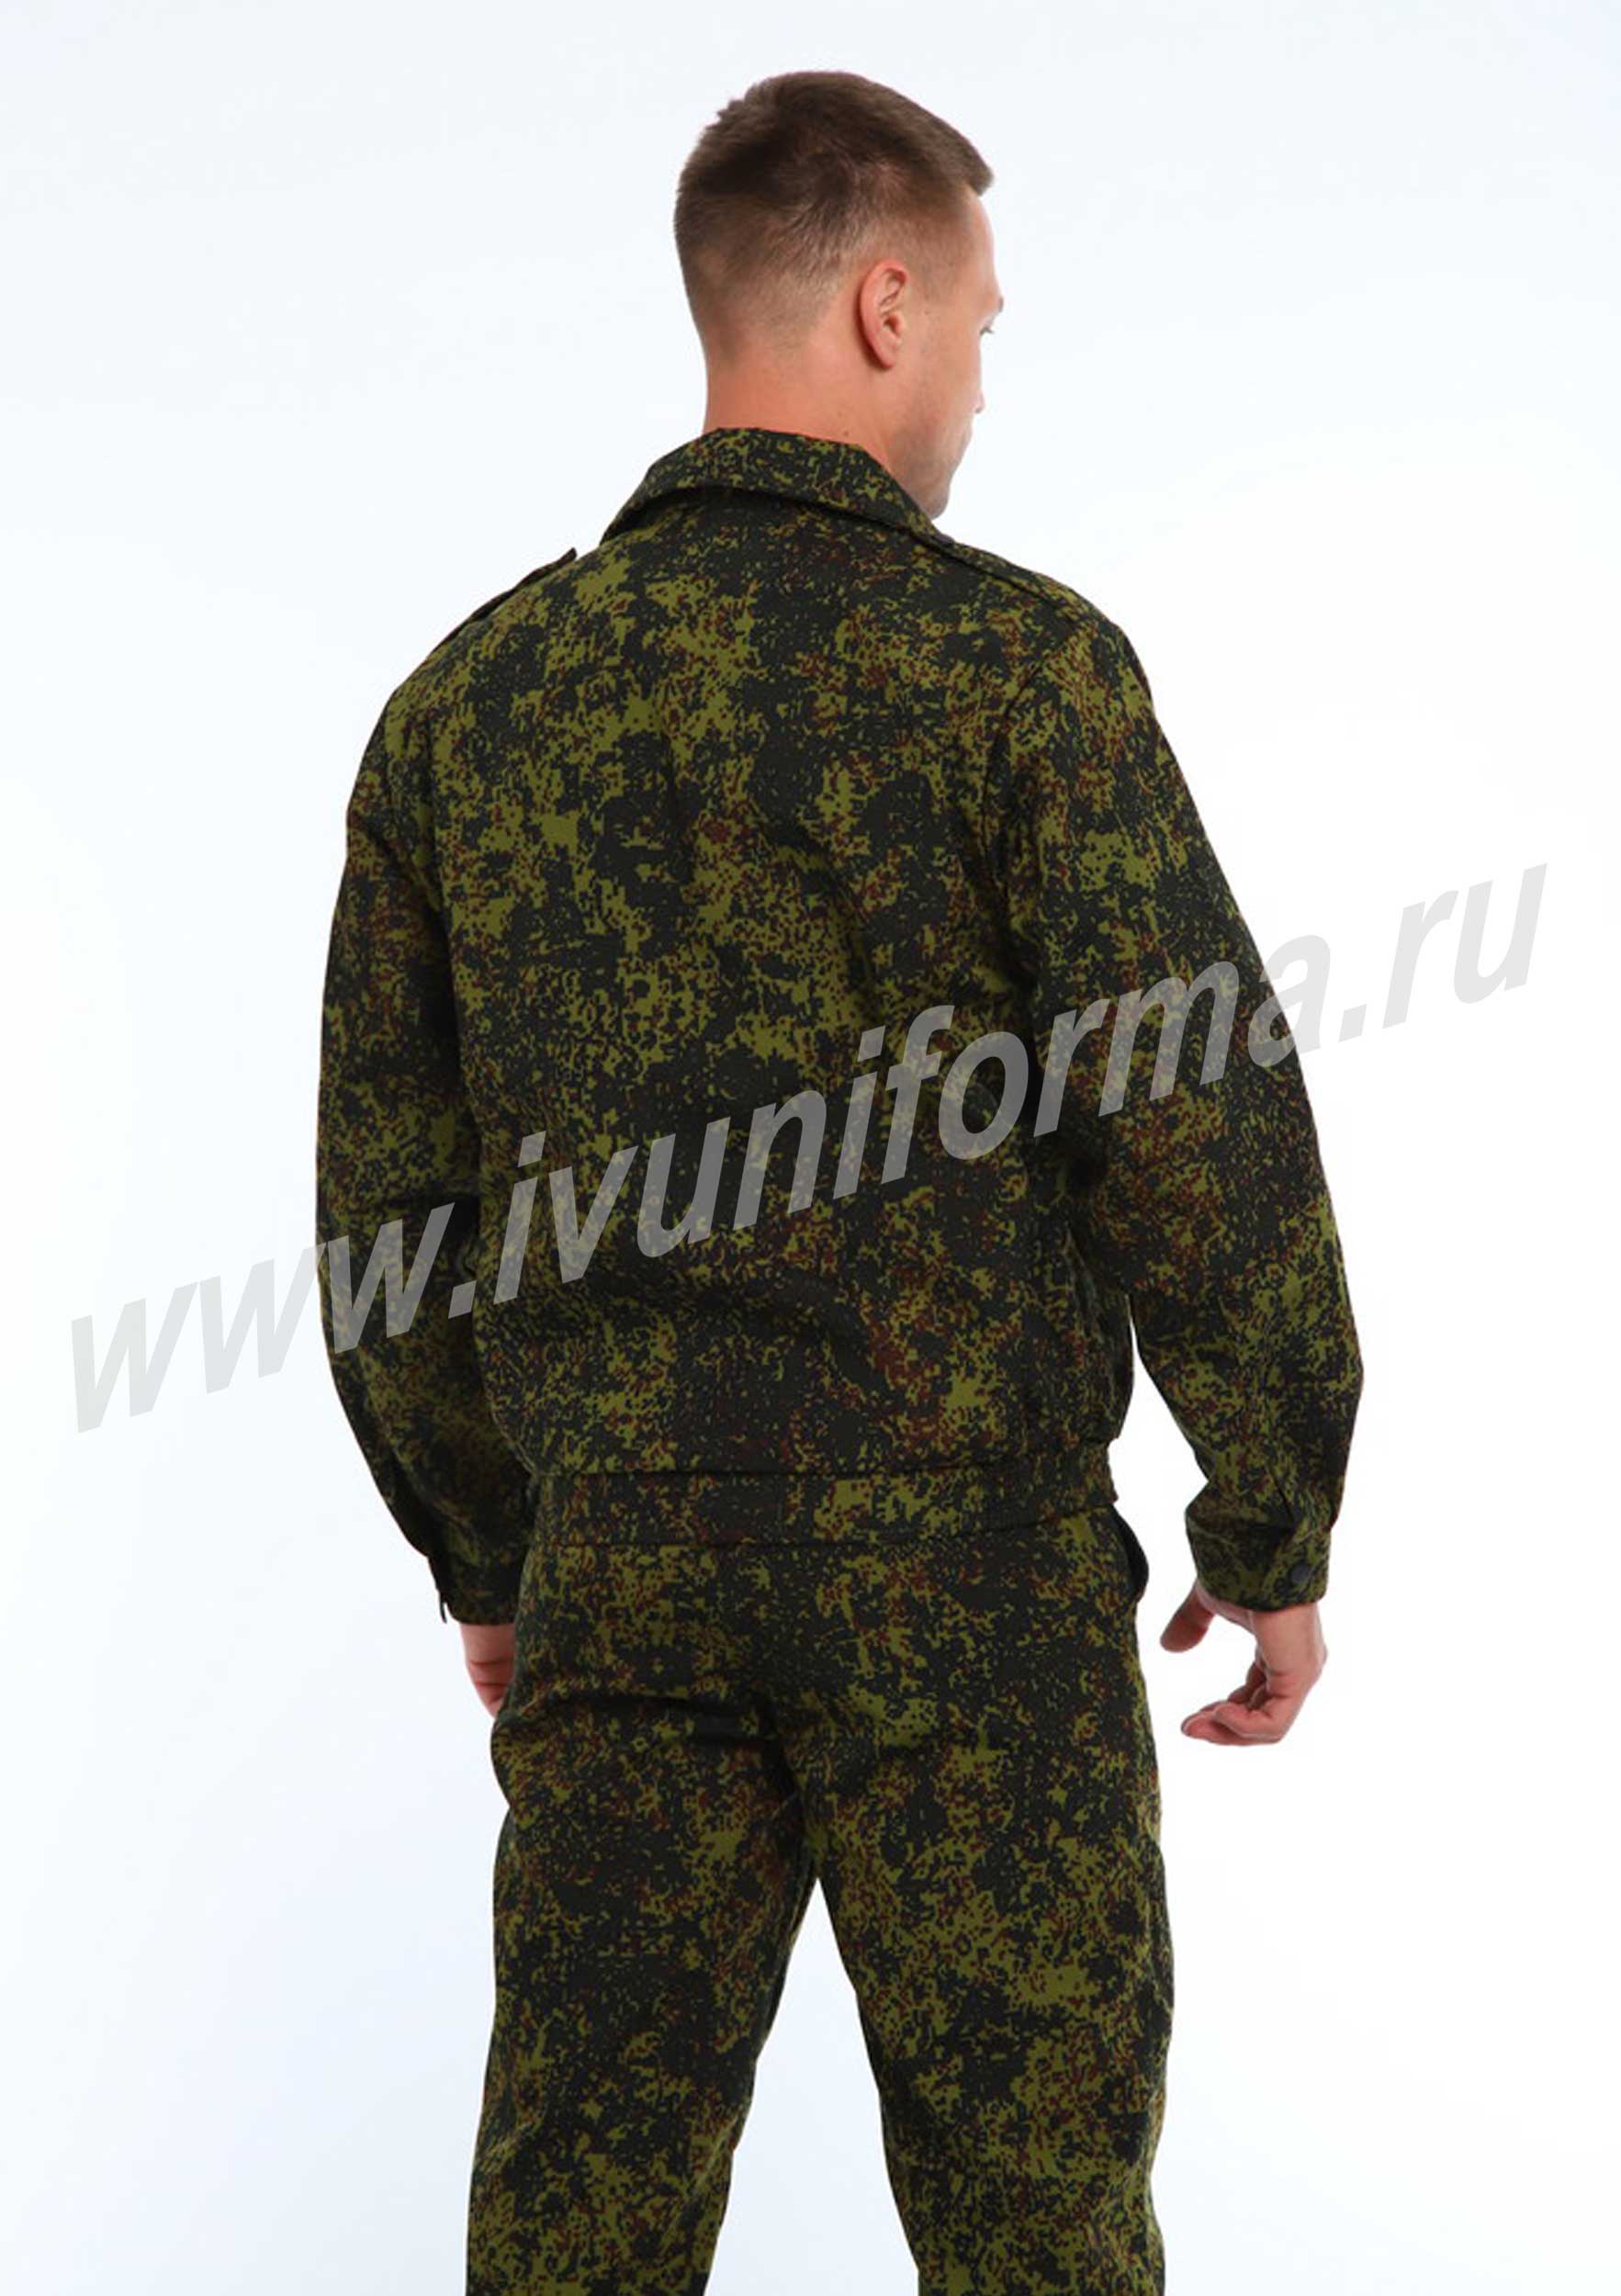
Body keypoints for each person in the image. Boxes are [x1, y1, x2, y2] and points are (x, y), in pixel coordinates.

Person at [315, 66, 1363, 2296]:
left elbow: (386, 1209)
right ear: (886, 303)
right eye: (976, 322)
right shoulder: (1018, 671)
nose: (978, 376)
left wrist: (492, 1545)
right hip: (971, 1585)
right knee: (1037, 2229)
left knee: (576, 2237)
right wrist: (1270, 1514)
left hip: (624, 1580)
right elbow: (1194, 1123)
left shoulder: (465, 709)